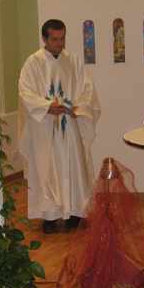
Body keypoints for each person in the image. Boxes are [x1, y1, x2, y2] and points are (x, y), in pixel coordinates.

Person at [18, 19, 101, 234]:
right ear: (44, 39)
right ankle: (50, 216)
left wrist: (78, 108)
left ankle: (75, 212)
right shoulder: (33, 63)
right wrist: (47, 107)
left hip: (69, 126)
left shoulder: (72, 60)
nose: (59, 43)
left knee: (73, 167)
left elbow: (87, 89)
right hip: (45, 128)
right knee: (47, 170)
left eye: (62, 38)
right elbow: (25, 92)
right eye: (55, 39)